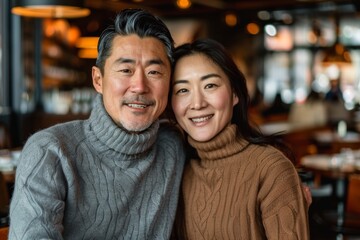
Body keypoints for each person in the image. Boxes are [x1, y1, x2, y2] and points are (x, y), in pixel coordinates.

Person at [9, 9, 186, 239]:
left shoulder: (175, 145)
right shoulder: (50, 152)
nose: (140, 86)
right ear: (98, 80)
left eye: (154, 72)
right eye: (125, 70)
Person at [169, 39, 310, 239]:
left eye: (210, 85)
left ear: (234, 93)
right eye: (183, 90)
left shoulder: (271, 169)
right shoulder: (177, 169)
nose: (197, 103)